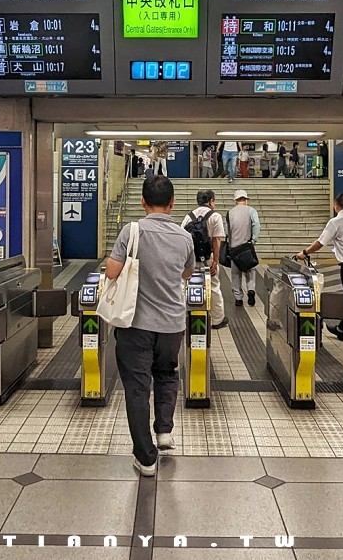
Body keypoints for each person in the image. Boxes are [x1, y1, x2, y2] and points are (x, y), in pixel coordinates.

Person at [106, 175, 195, 477]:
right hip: (172, 323)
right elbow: (186, 273)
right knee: (167, 374)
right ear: (172, 204)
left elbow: (112, 272)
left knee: (137, 387)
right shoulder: (184, 237)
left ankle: (146, 459)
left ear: (142, 201)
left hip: (135, 324)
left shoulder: (132, 231)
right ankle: (165, 431)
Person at [295, 193, 343, 342]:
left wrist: (304, 253)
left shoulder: (335, 222)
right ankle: (342, 329)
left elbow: (320, 242)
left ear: (336, 205)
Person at [180, 189, 228, 330]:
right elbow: (217, 239)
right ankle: (217, 319)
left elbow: (183, 238)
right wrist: (215, 261)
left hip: (190, 260)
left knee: (186, 287)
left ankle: (183, 319)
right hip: (207, 258)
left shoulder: (188, 217)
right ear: (211, 201)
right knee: (213, 286)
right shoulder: (215, 216)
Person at [228, 189, 260, 307]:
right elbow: (256, 224)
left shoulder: (230, 213)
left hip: (234, 249)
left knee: (236, 274)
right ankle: (250, 290)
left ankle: (238, 298)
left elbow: (228, 232)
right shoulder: (251, 211)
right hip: (247, 247)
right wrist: (253, 240)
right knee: (250, 271)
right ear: (246, 200)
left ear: (236, 201)